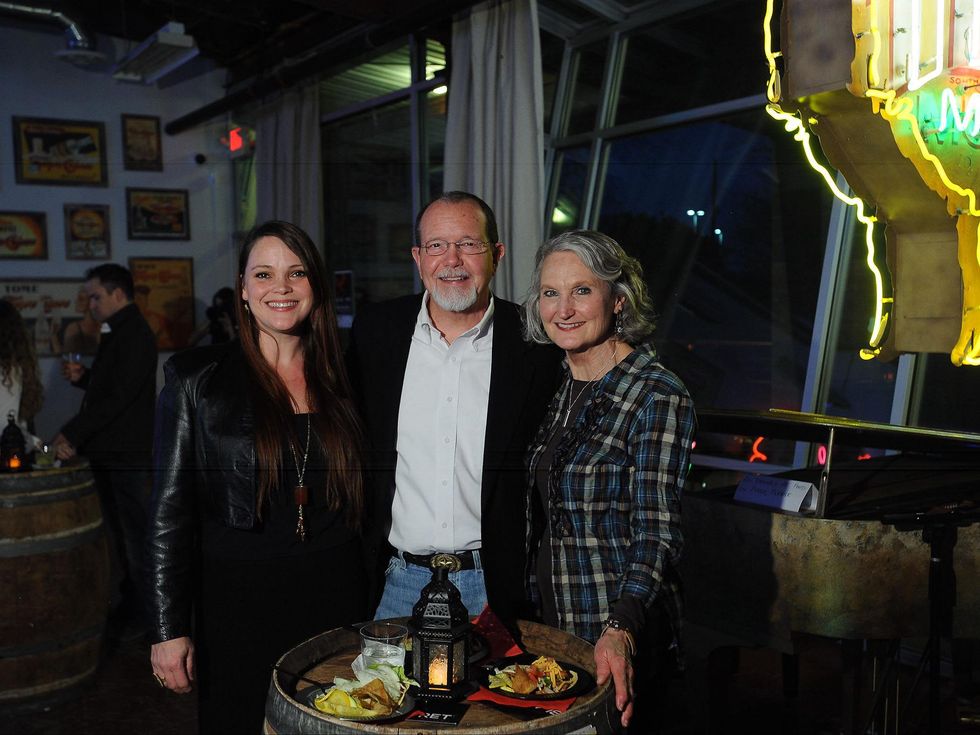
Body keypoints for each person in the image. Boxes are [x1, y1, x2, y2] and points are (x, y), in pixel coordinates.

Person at [147, 220, 368, 735]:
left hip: (337, 595)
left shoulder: (348, 374)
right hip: (238, 601)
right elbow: (167, 511)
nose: (281, 288)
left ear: (316, 286)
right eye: (264, 274)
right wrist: (168, 629)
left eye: (296, 273)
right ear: (243, 290)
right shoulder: (196, 378)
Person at [347, 191, 560, 625]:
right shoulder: (376, 333)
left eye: (469, 243)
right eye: (437, 246)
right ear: (418, 257)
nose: (453, 260)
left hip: (493, 586)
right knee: (384, 695)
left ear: (496, 254)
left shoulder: (536, 345)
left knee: (491, 695)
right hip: (395, 581)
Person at [522, 230, 696, 732]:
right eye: (551, 293)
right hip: (548, 626)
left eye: (582, 290)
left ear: (618, 300)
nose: (564, 309)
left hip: (610, 631)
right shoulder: (557, 385)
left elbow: (658, 533)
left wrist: (621, 627)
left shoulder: (656, 393)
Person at [52, 264, 157, 640]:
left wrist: (72, 433)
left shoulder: (134, 334)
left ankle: (151, 623)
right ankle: (135, 610)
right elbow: (111, 389)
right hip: (115, 452)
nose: (90, 304)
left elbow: (117, 399)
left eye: (95, 296)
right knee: (124, 537)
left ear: (118, 294)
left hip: (126, 454)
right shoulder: (119, 331)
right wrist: (86, 381)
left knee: (135, 538)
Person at [0, 299, 43, 447]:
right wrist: (41, 446)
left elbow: (7, 424)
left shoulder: (11, 370)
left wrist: (42, 447)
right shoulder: (19, 368)